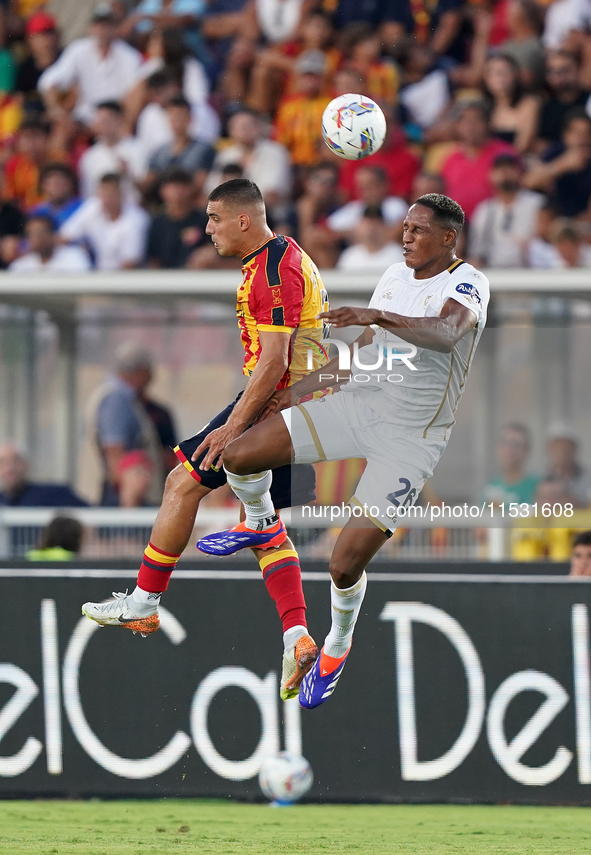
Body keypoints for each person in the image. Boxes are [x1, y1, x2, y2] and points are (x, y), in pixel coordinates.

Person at [194, 193, 489, 710]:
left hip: (411, 438)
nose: (407, 237)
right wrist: (298, 391)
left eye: (420, 230)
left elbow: (444, 334)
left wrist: (374, 313)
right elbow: (371, 356)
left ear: (448, 239)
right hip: (360, 404)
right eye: (406, 228)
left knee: (343, 565)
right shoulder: (395, 277)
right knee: (239, 453)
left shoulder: (468, 283)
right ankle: (260, 522)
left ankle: (336, 643)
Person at [82, 179, 329, 704]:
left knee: (181, 483)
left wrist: (234, 424)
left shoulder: (272, 268)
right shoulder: (277, 258)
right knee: (261, 521)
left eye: (215, 218)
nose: (208, 228)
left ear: (244, 219)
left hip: (281, 405)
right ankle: (297, 634)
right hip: (294, 405)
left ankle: (145, 602)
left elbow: (275, 361)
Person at [87, 342, 174, 507]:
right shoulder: (116, 400)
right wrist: (128, 501)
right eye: (148, 371)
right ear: (139, 371)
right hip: (123, 498)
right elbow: (114, 451)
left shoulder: (124, 399)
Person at [38, 2, 143, 127]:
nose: (102, 29)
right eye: (98, 24)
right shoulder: (78, 50)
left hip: (117, 119)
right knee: (62, 129)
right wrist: (56, 109)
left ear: (115, 27)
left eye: (106, 25)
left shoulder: (129, 56)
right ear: (91, 28)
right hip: (84, 118)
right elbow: (48, 81)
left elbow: (135, 93)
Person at [206, 109, 292, 218]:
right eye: (239, 127)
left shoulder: (276, 152)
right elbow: (211, 190)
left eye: (247, 126)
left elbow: (272, 196)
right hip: (229, 217)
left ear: (258, 127)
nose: (244, 130)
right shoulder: (225, 155)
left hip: (268, 217)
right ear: (231, 131)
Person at [440, 101, 517, 220]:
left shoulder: (504, 153)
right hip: (457, 224)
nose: (471, 126)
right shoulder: (450, 158)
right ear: (457, 126)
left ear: (487, 124)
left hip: (496, 220)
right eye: (465, 121)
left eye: (477, 120)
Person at [60, 173, 149, 270]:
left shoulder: (136, 219)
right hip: (98, 275)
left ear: (121, 194)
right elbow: (63, 238)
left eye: (111, 194)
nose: (106, 199)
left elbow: (130, 263)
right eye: (103, 194)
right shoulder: (92, 206)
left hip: (130, 278)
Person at [468, 153, 544, 268]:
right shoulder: (485, 209)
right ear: (491, 175)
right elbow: (476, 250)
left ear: (520, 173)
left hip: (530, 271)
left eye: (510, 168)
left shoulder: (536, 203)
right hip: (493, 273)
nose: (505, 172)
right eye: (499, 169)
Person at [525, 109, 591, 218]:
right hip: (554, 218)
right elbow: (529, 182)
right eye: (577, 133)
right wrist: (563, 165)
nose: (582, 139)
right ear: (566, 134)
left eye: (587, 133)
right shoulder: (554, 152)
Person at [77, 101, 148, 201]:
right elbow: (88, 194)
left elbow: (146, 189)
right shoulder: (89, 156)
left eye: (107, 121)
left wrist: (128, 174)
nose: (103, 126)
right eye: (99, 122)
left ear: (120, 120)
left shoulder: (138, 148)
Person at [146, 96, 215, 195]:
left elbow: (200, 183)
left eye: (180, 116)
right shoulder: (160, 152)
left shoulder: (204, 149)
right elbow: (148, 183)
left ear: (190, 118)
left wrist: (175, 193)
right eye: (172, 116)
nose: (176, 121)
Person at [146, 168, 208, 268]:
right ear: (162, 191)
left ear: (191, 189)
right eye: (173, 187)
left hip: (195, 278)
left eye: (182, 186)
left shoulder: (203, 220)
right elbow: (153, 259)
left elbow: (211, 251)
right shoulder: (157, 223)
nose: (177, 192)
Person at [0, 442, 87, 506]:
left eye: (16, 460)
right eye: (2, 462)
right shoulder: (3, 500)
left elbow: (92, 515)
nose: (10, 467)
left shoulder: (52, 494)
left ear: (26, 465)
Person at [536, 50, 591, 148]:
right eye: (551, 71)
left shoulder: (588, 100)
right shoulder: (545, 106)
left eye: (564, 70)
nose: (557, 76)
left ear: (578, 69)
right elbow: (538, 142)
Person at [9, 214, 91, 272]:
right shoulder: (20, 265)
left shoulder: (74, 256)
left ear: (52, 235)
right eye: (31, 234)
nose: (36, 239)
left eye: (40, 233)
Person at [482, 424, 539, 505]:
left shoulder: (538, 487)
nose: (509, 450)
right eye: (505, 443)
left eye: (516, 444)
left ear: (527, 450)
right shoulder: (491, 486)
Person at [336, 208, 404, 272]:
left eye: (376, 223)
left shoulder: (397, 254)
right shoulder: (350, 255)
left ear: (384, 226)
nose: (371, 228)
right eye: (368, 223)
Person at [30, 163, 81, 228]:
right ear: (43, 186)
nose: (57, 187)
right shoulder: (37, 212)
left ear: (71, 184)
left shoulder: (83, 209)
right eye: (53, 183)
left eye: (61, 182)